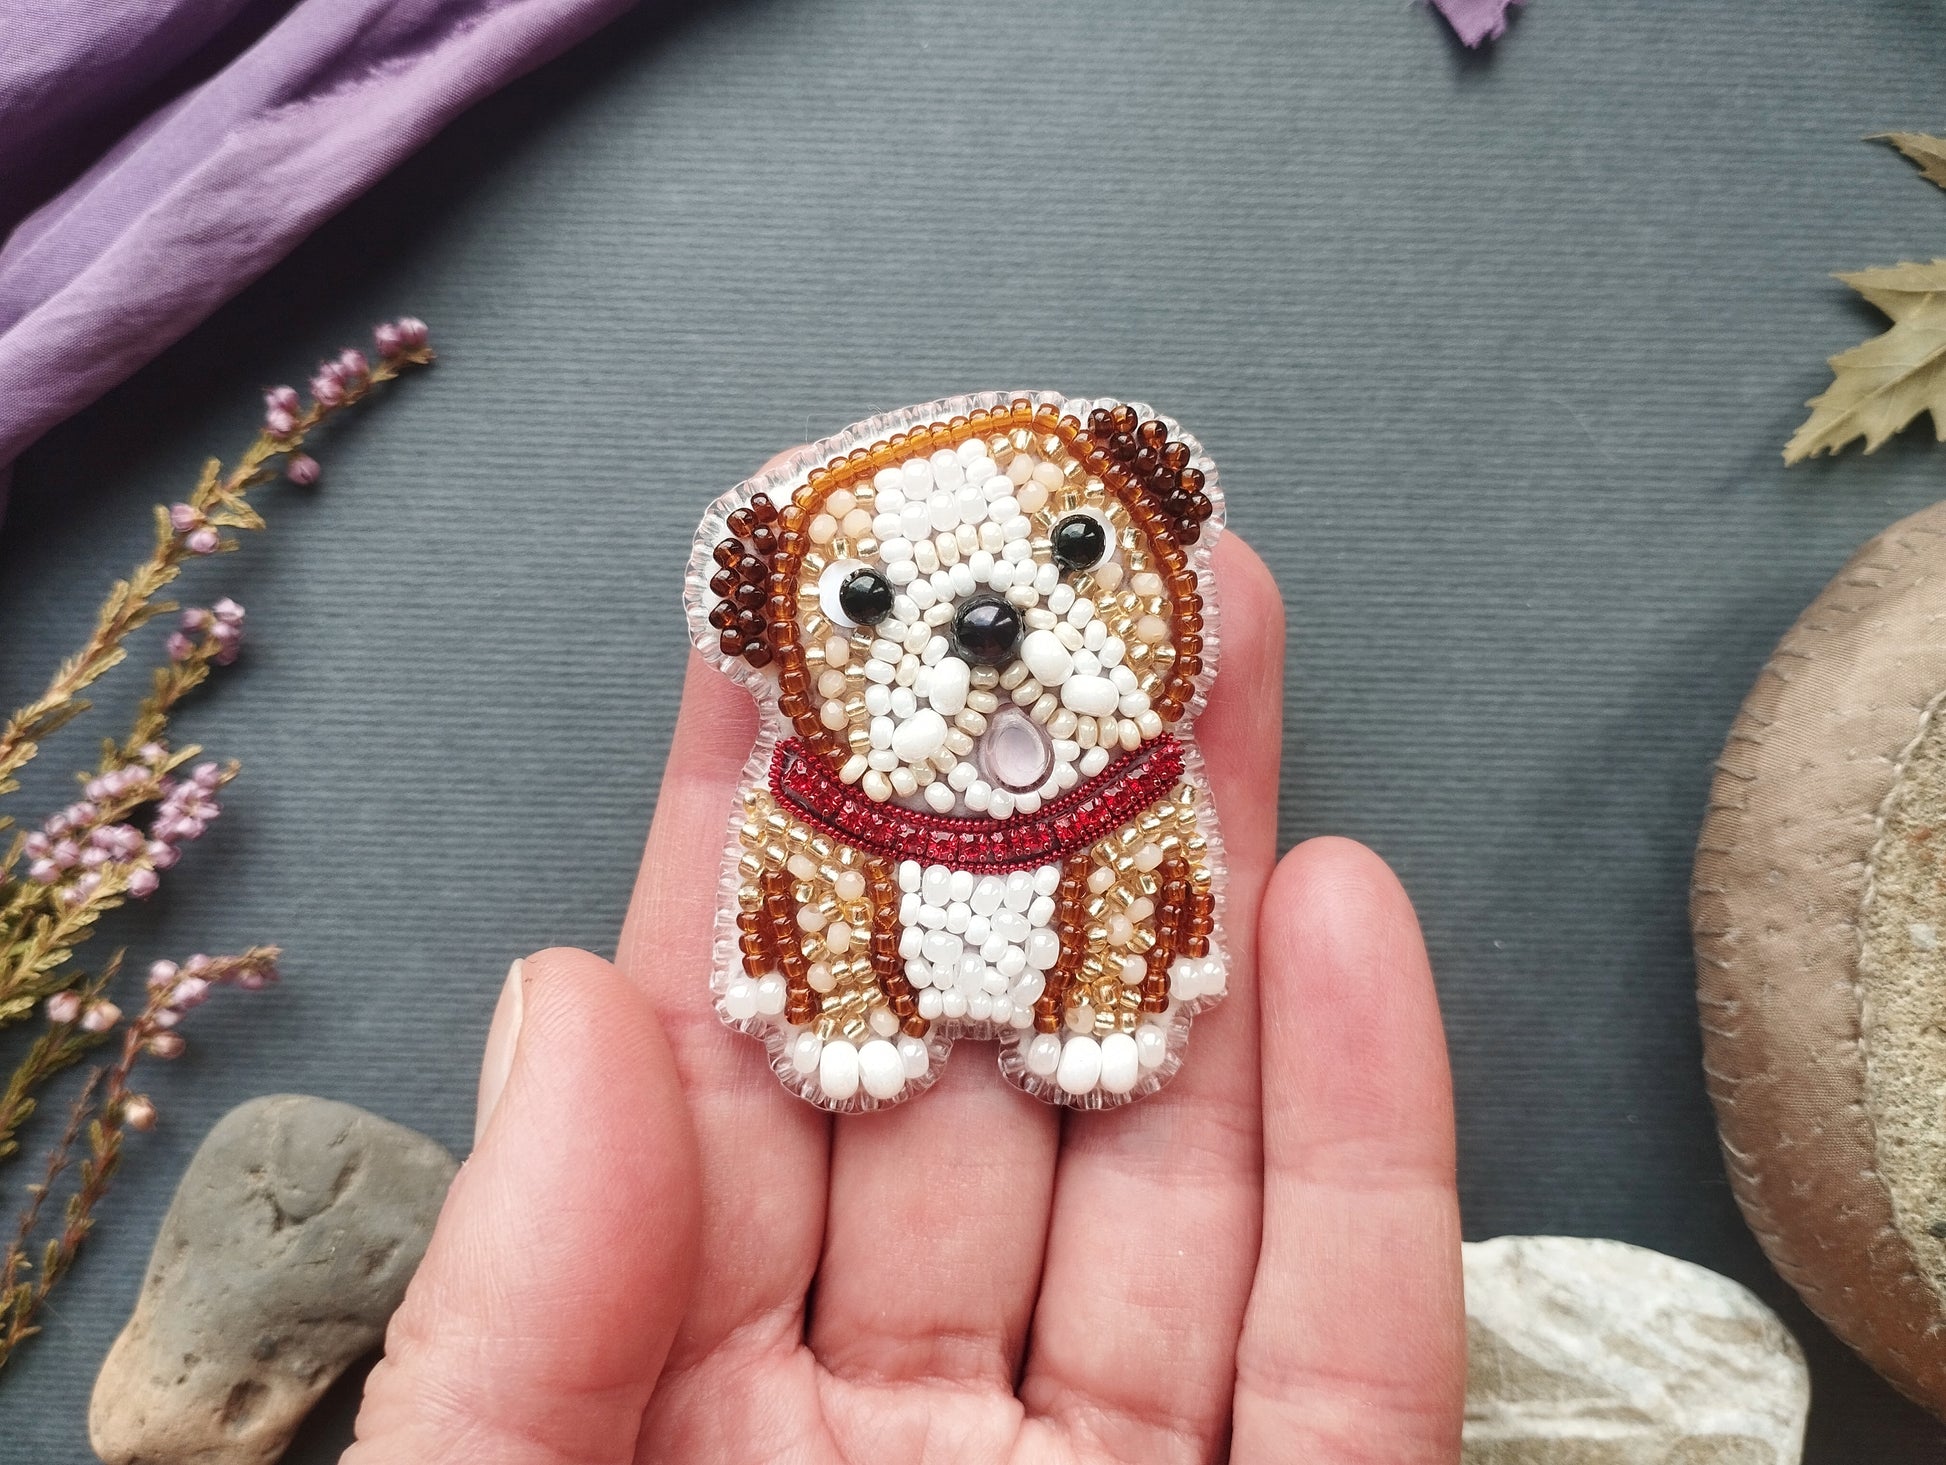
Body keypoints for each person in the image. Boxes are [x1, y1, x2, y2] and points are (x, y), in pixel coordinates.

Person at [340, 517, 1465, 1463]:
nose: (983, 621)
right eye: (867, 595)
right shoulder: (815, 786)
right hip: (862, 874)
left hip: (1102, 854)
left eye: (1072, 542)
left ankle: (1098, 1001)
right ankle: (870, 1005)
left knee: (1136, 912)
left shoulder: (1135, 763)